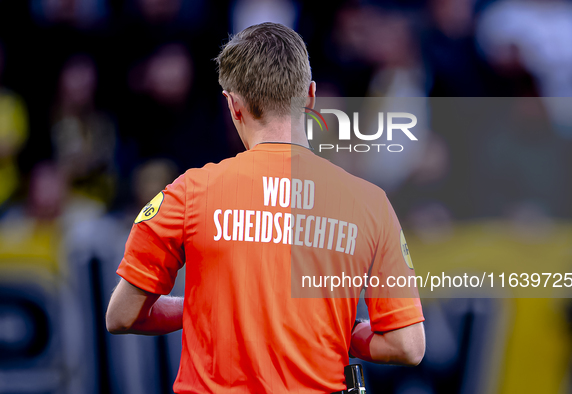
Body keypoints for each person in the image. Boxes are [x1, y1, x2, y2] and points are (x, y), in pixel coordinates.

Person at [105, 22, 425, 393]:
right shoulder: (371, 203)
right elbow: (407, 345)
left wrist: (197, 306)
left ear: (233, 105)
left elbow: (122, 315)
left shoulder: (187, 193)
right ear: (310, 96)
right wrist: (337, 331)